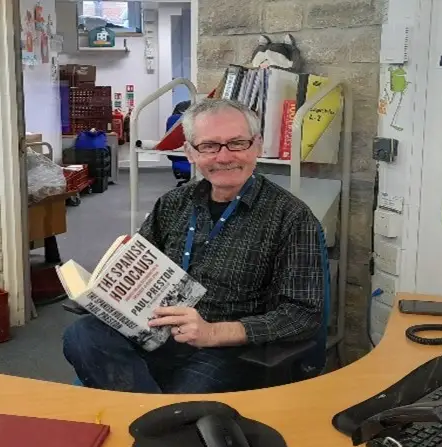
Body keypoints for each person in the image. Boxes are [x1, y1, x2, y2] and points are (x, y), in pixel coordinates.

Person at [63, 98, 325, 393]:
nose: (224, 157)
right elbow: (142, 267)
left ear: (257, 146)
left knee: (181, 397)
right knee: (81, 334)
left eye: (237, 143)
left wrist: (213, 332)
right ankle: (157, 414)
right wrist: (104, 295)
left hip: (226, 348)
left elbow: (303, 315)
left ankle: (153, 413)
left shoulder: (291, 217)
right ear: (190, 152)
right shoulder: (172, 204)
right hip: (155, 331)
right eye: (210, 146)